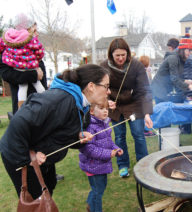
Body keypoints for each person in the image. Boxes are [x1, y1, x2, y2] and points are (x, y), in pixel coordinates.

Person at [0, 64, 110, 200]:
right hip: (19, 155)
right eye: (106, 86)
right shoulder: (59, 100)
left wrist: (78, 136)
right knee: (35, 201)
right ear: (91, 86)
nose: (108, 91)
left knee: (48, 189)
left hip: (44, 157)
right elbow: (18, 123)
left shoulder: (83, 106)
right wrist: (27, 158)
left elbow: (60, 132)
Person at [100, 38, 153, 178]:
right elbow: (99, 89)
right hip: (115, 106)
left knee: (139, 135)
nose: (120, 58)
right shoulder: (104, 67)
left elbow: (144, 90)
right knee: (119, 137)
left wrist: (146, 113)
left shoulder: (136, 66)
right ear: (111, 54)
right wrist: (106, 101)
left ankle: (143, 164)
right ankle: (123, 165)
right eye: (117, 55)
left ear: (128, 53)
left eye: (123, 55)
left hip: (134, 104)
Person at [79, 101, 123, 212]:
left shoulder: (104, 123)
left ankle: (90, 205)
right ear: (92, 111)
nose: (105, 111)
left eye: (106, 108)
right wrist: (108, 153)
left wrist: (116, 148)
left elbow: (109, 142)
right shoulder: (90, 127)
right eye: (102, 108)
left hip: (101, 165)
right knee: (98, 191)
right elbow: (89, 149)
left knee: (99, 188)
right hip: (93, 166)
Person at [0, 13, 45, 108]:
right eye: (35, 30)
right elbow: (7, 74)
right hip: (23, 109)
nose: (37, 33)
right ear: (28, 29)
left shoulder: (33, 48)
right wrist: (34, 75)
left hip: (40, 107)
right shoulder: (9, 52)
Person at [151, 34, 192, 104]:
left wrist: (187, 81)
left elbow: (175, 77)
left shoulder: (181, 59)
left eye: (191, 51)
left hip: (166, 90)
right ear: (183, 49)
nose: (190, 53)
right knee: (164, 112)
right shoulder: (173, 58)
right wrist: (190, 87)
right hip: (159, 90)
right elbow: (174, 79)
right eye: (189, 50)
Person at [139, 55, 156, 137]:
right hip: (144, 95)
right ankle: (146, 130)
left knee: (145, 113)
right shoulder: (143, 72)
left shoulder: (146, 71)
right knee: (145, 113)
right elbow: (148, 84)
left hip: (146, 95)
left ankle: (145, 130)